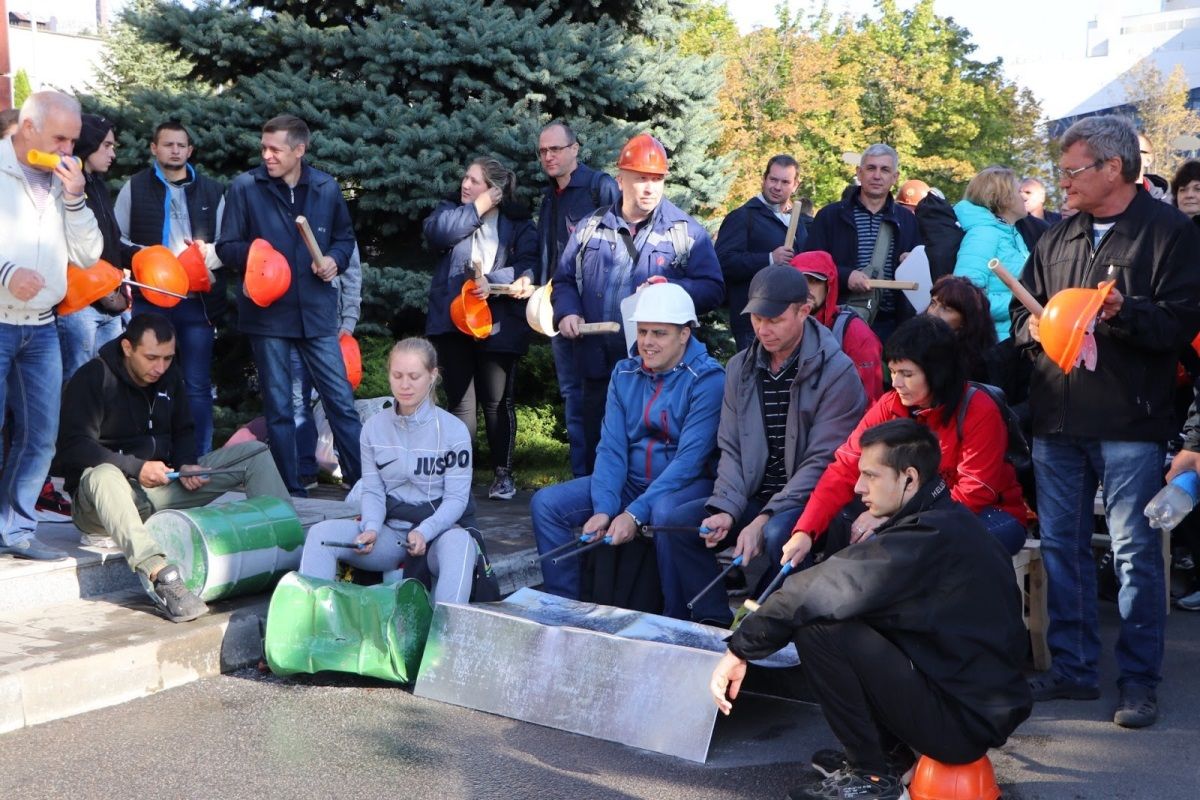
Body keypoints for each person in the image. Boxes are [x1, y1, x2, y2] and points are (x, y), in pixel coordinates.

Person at [710, 419, 1032, 800]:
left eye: (870, 476)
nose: (858, 487)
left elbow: (817, 587)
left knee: (819, 629)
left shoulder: (926, 538)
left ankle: (871, 775)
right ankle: (888, 758)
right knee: (847, 612)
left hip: (961, 723)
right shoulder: (948, 523)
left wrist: (739, 648)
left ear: (909, 478)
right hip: (973, 707)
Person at [1011, 115, 1200, 728]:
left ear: (1112, 168)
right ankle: (1073, 669)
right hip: (1055, 418)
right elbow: (1019, 318)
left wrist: (1122, 313)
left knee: (1133, 552)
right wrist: (1032, 329)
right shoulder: (1056, 237)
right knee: (1063, 548)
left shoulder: (1170, 234)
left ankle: (1139, 682)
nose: (1062, 183)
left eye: (1072, 172)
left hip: (1129, 420)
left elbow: (1178, 327)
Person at [650, 266, 865, 623]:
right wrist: (727, 509)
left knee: (781, 532)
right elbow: (731, 449)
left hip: (811, 501)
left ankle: (763, 626)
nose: (763, 330)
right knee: (679, 524)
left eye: (775, 320)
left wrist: (764, 518)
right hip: (754, 497)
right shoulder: (740, 368)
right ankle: (713, 624)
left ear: (803, 310)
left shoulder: (837, 371)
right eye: (756, 319)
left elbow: (822, 463)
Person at [54, 313, 291, 621]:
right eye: (151, 357)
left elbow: (183, 429)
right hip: (100, 501)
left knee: (254, 453)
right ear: (127, 347)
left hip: (159, 487)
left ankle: (291, 549)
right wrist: (136, 467)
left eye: (167, 358)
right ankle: (160, 575)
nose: (160, 367)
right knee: (104, 474)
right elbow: (73, 447)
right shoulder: (92, 377)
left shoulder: (169, 375)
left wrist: (187, 463)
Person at [531, 282, 724, 609]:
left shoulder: (708, 379)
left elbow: (689, 463)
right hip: (630, 484)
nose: (647, 342)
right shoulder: (624, 372)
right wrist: (605, 508)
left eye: (659, 333)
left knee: (665, 512)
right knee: (546, 504)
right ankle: (564, 608)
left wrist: (634, 515)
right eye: (643, 331)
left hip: (685, 487)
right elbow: (611, 448)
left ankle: (674, 616)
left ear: (684, 334)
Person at [782, 315, 1027, 566]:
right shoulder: (890, 404)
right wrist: (805, 531)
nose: (896, 382)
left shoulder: (979, 408)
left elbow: (974, 492)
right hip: (912, 515)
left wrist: (893, 519)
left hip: (989, 515)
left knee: (918, 547)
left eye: (907, 374)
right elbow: (845, 467)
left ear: (937, 373)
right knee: (842, 534)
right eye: (893, 371)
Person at [552, 133, 724, 472]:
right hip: (595, 364)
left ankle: (639, 518)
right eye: (641, 179)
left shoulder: (685, 232)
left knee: (648, 451)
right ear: (620, 180)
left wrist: (671, 288)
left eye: (657, 179)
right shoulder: (591, 227)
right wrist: (567, 311)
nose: (650, 188)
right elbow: (564, 280)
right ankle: (591, 516)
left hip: (656, 372)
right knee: (591, 444)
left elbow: (714, 289)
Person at [216, 114, 362, 497]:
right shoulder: (246, 187)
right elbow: (226, 246)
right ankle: (288, 491)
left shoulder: (326, 188)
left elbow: (345, 239)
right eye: (263, 148)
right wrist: (260, 254)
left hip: (317, 314)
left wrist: (334, 260)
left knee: (340, 402)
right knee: (280, 409)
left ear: (299, 150)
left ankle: (364, 484)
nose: (267, 155)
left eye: (275, 149)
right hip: (267, 316)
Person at [0, 91, 103, 562]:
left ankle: (17, 531)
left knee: (41, 435)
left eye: (73, 140)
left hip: (42, 327)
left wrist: (77, 200)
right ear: (27, 129)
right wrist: (6, 274)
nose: (68, 150)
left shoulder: (67, 183)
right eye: (59, 138)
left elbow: (88, 254)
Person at [300, 338, 480, 604]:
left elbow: (456, 500)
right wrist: (371, 527)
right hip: (391, 534)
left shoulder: (454, 431)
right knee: (320, 535)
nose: (404, 385)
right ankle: (315, 626)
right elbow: (372, 489)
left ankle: (444, 639)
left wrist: (425, 531)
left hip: (438, 533)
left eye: (413, 376)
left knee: (460, 544)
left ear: (432, 376)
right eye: (397, 375)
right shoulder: (373, 427)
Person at [423, 156, 537, 501]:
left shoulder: (518, 224)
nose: (465, 185)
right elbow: (437, 234)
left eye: (475, 181)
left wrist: (495, 280)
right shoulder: (450, 213)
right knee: (460, 403)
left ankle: (502, 474)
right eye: (465, 178)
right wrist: (477, 207)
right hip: (453, 320)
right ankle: (462, 475)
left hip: (499, 322)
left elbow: (531, 264)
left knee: (497, 401)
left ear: (496, 191)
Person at [115, 120, 228, 456]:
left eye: (181, 145)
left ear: (190, 151)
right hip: (151, 303)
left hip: (198, 303)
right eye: (168, 145)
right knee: (144, 378)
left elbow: (228, 243)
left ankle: (197, 459)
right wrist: (146, 257)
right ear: (154, 148)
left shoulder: (212, 191)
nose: (175, 150)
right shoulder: (134, 187)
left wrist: (207, 256)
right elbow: (116, 238)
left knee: (196, 385)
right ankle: (147, 459)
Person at [535, 121, 620, 479]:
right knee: (572, 399)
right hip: (560, 312)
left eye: (556, 149)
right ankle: (581, 483)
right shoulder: (549, 197)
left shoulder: (599, 187)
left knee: (602, 403)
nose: (549, 156)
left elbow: (621, 247)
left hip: (599, 318)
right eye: (543, 151)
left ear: (575, 149)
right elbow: (549, 257)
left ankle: (603, 485)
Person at [802, 143, 920, 343]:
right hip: (838, 319)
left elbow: (920, 275)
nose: (877, 175)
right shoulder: (830, 215)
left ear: (895, 177)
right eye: (871, 168)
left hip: (891, 325)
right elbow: (808, 267)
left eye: (885, 170)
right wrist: (845, 276)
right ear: (859, 172)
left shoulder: (907, 220)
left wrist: (913, 262)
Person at [57, 113, 132, 381]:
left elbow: (111, 244)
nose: (112, 154)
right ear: (89, 144)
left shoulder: (100, 187)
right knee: (77, 381)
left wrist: (142, 257)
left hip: (111, 303)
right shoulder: (66, 187)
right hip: (80, 305)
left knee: (107, 381)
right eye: (107, 146)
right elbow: (71, 250)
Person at [715, 154, 806, 351]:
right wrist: (770, 258)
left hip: (791, 320)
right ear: (764, 179)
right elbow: (723, 263)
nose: (777, 187)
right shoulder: (742, 217)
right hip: (754, 323)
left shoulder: (799, 222)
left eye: (785, 182)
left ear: (795, 185)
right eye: (773, 179)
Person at [291, 244, 362, 489]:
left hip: (331, 327)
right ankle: (304, 471)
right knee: (296, 402)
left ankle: (359, 475)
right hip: (290, 325)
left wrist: (350, 319)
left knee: (340, 401)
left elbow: (352, 271)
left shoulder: (332, 213)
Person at [792, 250, 883, 402]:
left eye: (814, 281)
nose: (807, 289)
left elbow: (870, 400)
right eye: (801, 281)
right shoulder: (783, 326)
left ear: (830, 284)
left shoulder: (855, 332)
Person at [952, 166, 1030, 342]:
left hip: (1013, 339)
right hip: (994, 345)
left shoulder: (1012, 234)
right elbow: (967, 296)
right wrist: (1025, 301)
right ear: (1002, 198)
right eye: (1019, 191)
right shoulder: (984, 234)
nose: (1024, 197)